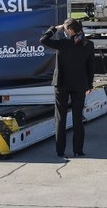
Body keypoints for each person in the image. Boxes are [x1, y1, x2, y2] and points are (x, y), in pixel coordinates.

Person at [40, 18, 96, 158]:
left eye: (65, 29)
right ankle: (78, 150)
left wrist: (54, 28)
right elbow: (91, 66)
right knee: (78, 118)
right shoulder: (88, 44)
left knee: (60, 118)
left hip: (61, 84)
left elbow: (43, 40)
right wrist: (89, 84)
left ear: (70, 30)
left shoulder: (63, 43)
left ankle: (60, 151)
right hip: (80, 84)